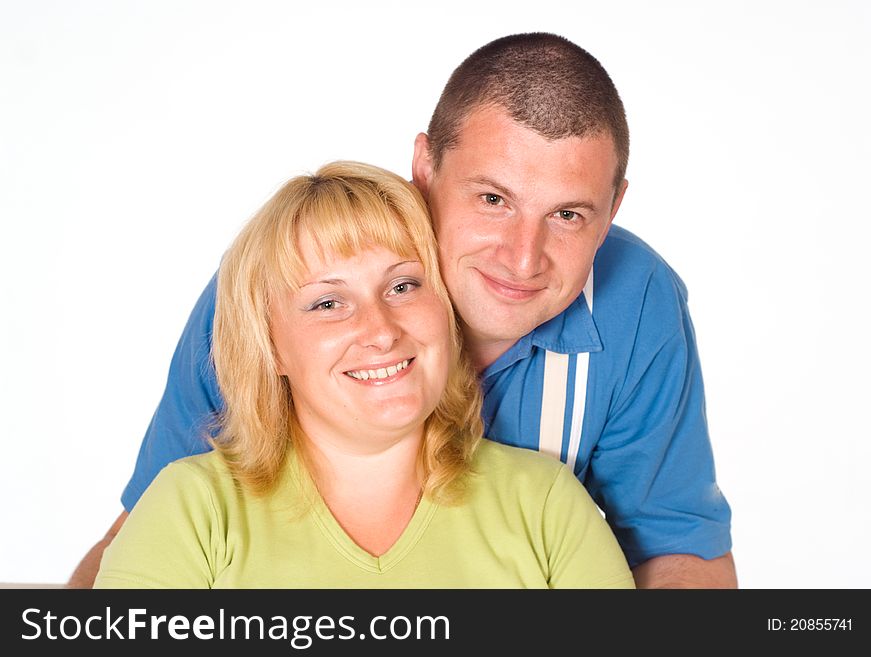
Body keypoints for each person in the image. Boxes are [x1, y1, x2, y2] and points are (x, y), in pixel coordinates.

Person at [73, 32, 736, 588]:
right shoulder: (272, 287)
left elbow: (678, 548)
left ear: (613, 209)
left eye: (566, 214)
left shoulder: (632, 308)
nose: (522, 257)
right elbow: (146, 535)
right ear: (425, 166)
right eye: (492, 199)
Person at [93, 161, 635, 588]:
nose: (380, 330)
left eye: (403, 286)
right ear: (270, 346)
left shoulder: (548, 507)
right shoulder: (192, 511)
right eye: (328, 302)